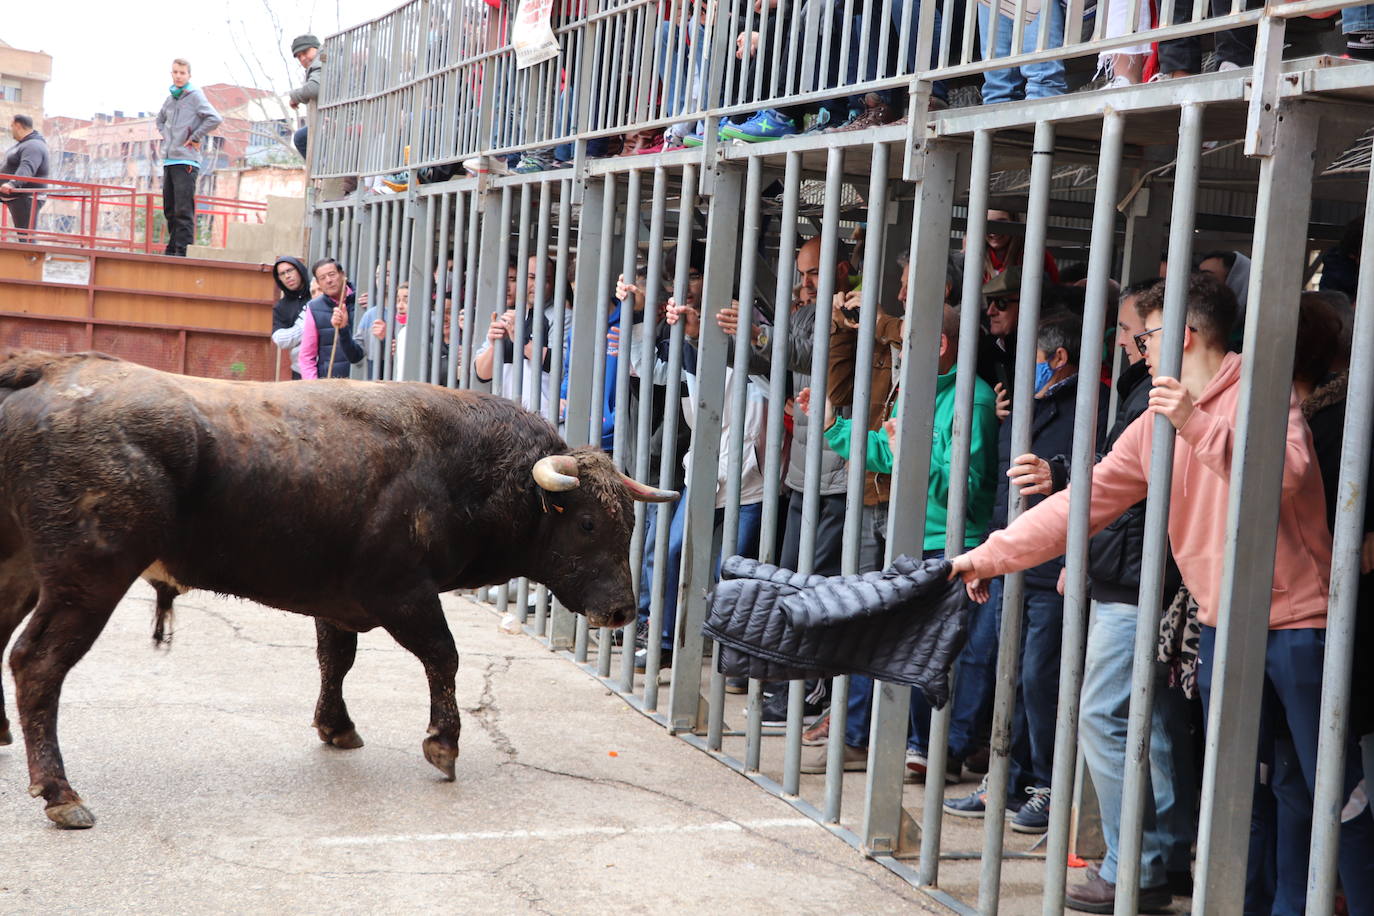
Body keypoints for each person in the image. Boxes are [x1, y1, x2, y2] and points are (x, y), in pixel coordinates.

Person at [950, 272, 1374, 914]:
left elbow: (1285, 475)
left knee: (1329, 797)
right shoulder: (1156, 423)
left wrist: (1195, 423)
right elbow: (1080, 502)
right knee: (1244, 795)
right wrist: (988, 557)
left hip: (1296, 628)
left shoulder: (1261, 393)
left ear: (1185, 333)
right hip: (1223, 628)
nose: (1136, 351)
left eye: (1144, 337)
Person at [999, 279, 1197, 909]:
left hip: (1138, 579)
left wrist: (1065, 496)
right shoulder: (1152, 390)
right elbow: (1115, 472)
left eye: (1136, 334)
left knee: (1105, 716)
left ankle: (1130, 864)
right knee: (1155, 724)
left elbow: (1120, 484)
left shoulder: (1166, 393)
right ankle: (1160, 856)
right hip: (1135, 572)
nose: (1127, 344)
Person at [155, 59, 222, 257]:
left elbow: (214, 118)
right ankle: (172, 248)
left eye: (182, 73)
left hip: (186, 161)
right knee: (170, 208)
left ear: (189, 76)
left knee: (183, 209)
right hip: (169, 160)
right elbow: (159, 120)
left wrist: (195, 137)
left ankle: (183, 251)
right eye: (175, 72)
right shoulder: (170, 99)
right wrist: (168, 137)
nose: (178, 76)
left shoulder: (195, 96)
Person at [297, 259, 365, 379]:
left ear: (342, 275)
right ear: (318, 283)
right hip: (331, 383)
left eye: (332, 274)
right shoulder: (314, 308)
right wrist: (313, 386)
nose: (328, 280)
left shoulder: (363, 298)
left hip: (364, 378)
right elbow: (307, 356)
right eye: (322, 278)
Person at [0, 115, 49, 243]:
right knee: (25, 237)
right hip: (15, 196)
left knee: (27, 239)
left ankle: (31, 260)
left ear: (17, 125)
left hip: (26, 198)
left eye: (11, 126)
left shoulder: (33, 145)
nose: (11, 130)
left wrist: (13, 184)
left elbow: (27, 167)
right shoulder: (22, 145)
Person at [271, 256, 312, 379]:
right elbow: (280, 339)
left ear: (299, 270)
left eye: (290, 270)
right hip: (300, 371)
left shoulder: (316, 292)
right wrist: (306, 326)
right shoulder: (281, 307)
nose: (287, 276)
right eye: (282, 274)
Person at [288, 35, 322, 159]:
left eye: (305, 52)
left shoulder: (321, 60)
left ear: (316, 48)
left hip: (341, 119)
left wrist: (294, 96)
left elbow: (313, 88)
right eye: (298, 57)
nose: (302, 58)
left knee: (301, 138)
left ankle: (321, 170)